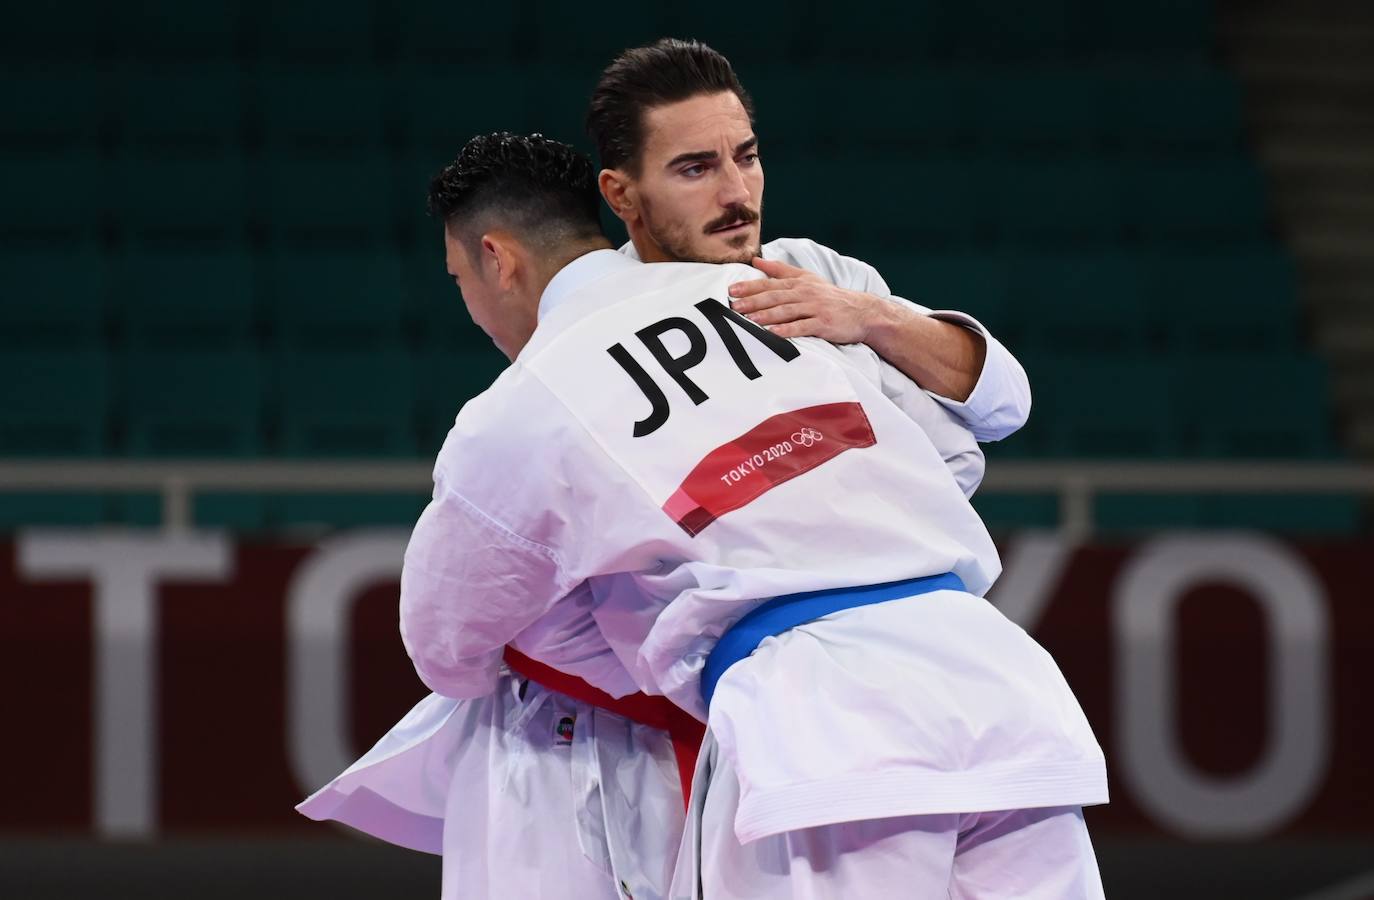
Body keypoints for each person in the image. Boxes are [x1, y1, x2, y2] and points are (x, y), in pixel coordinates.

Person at [400, 131, 1107, 898]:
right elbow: (956, 457)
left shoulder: (520, 405)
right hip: (1002, 690)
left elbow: (447, 641)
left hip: (820, 732)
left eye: (457, 277)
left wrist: (630, 632)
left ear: (497, 259)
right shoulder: (777, 293)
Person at [589, 38, 1029, 446]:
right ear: (621, 195)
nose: (737, 194)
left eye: (747, 158)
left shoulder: (815, 271)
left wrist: (870, 317)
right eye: (695, 170)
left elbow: (1004, 407)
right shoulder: (597, 333)